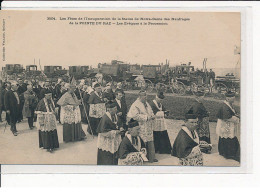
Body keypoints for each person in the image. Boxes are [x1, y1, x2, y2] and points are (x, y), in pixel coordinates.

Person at [127, 90, 158, 163]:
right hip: (140, 126)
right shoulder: (135, 104)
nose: (146, 97)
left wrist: (152, 115)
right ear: (140, 96)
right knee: (142, 141)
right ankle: (142, 158)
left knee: (150, 140)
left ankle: (151, 157)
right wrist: (147, 117)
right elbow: (135, 116)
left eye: (146, 95)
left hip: (148, 125)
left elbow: (150, 111)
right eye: (144, 95)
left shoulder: (146, 103)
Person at [97, 101, 124, 165]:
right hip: (107, 140)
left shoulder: (115, 115)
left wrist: (120, 127)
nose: (116, 110)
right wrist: (115, 132)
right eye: (115, 109)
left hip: (114, 138)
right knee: (107, 155)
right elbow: (103, 132)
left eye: (116, 108)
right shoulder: (105, 118)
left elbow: (119, 123)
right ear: (109, 110)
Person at [216, 91, 240, 162]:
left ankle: (226, 153)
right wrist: (237, 119)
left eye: (234, 96)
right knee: (228, 138)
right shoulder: (224, 106)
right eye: (232, 97)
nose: (234, 98)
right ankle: (229, 154)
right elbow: (227, 117)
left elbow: (231, 113)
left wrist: (236, 115)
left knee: (227, 138)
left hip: (226, 125)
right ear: (227, 98)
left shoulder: (229, 104)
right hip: (225, 126)